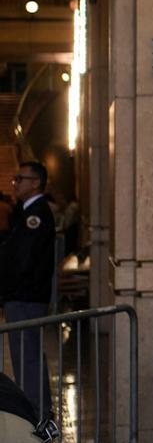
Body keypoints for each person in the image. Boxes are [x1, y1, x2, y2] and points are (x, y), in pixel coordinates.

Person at [0, 162, 56, 419]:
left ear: (36, 183)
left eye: (21, 178)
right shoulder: (26, 212)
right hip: (21, 295)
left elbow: (23, 259)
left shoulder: (37, 214)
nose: (16, 183)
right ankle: (34, 411)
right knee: (25, 357)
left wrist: (7, 287)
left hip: (25, 296)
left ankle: (37, 414)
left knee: (28, 358)